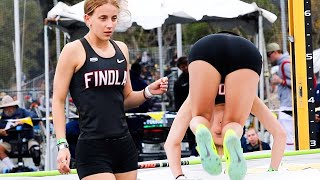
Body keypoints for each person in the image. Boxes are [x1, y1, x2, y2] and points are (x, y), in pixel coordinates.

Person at [52, 1, 168, 180]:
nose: (109, 24)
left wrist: (148, 92)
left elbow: (126, 99)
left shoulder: (121, 49)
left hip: (124, 144)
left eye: (114, 18)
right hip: (93, 147)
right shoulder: (73, 50)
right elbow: (58, 101)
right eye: (103, 18)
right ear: (88, 19)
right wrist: (62, 144)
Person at [164, 33, 286, 180]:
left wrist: (179, 176)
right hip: (238, 50)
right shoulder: (249, 100)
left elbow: (172, 142)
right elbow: (280, 134)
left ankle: (204, 126)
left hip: (221, 49)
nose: (220, 130)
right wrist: (273, 170)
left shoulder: (194, 100)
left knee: (202, 117)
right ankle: (205, 127)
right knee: (228, 123)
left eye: (218, 135)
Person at [0, 95, 41, 170]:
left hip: (27, 140)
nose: (8, 109)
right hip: (9, 142)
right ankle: (12, 168)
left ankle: (38, 168)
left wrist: (24, 121)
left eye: (10, 106)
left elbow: (35, 118)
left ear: (14, 106)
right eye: (6, 108)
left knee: (35, 149)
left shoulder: (23, 112)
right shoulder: (1, 118)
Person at [267, 42, 294, 150]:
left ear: (275, 52)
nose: (269, 58)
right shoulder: (284, 63)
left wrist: (280, 81)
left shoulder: (285, 64)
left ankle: (289, 154)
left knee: (287, 134)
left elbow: (299, 83)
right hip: (287, 104)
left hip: (288, 105)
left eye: (269, 55)